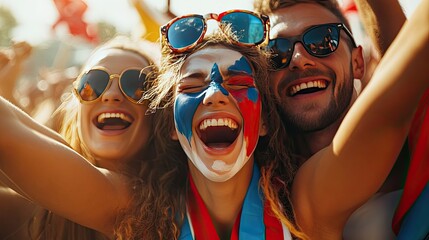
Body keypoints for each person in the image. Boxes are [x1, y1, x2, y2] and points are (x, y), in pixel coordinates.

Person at [253, 0, 408, 238]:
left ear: (357, 62)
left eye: (322, 40)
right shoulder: (276, 199)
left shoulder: (411, 126)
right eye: (276, 52)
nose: (298, 59)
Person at [0, 35, 176, 239]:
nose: (111, 94)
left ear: (159, 112)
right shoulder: (33, 211)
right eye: (93, 83)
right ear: (77, 112)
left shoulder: (155, 207)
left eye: (136, 85)